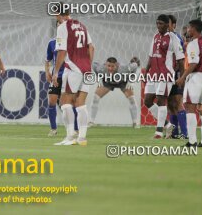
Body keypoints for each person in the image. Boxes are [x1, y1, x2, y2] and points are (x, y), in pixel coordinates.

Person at [52, 8, 94, 146]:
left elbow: (62, 51)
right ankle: (82, 138)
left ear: (59, 14)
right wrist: (88, 64)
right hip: (87, 69)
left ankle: (70, 137)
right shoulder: (82, 25)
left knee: (65, 101)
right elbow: (92, 47)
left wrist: (55, 72)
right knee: (80, 103)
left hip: (73, 68)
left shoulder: (62, 27)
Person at [144, 14, 184, 139]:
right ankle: (168, 125)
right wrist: (146, 71)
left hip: (165, 74)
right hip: (153, 74)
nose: (158, 26)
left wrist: (181, 78)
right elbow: (151, 56)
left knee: (161, 100)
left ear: (167, 25)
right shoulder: (155, 37)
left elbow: (181, 60)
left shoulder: (173, 38)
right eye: (157, 23)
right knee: (147, 101)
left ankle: (158, 132)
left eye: (161, 23)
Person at [175, 19, 202, 148]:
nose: (187, 30)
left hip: (196, 77)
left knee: (190, 108)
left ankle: (192, 141)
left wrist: (182, 78)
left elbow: (194, 63)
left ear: (194, 29)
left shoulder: (193, 44)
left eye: (189, 28)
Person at [89, 57, 140, 128]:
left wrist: (131, 81)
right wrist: (99, 78)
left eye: (112, 66)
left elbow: (135, 65)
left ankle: (135, 123)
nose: (110, 68)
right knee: (95, 98)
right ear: (105, 64)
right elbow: (94, 65)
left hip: (123, 82)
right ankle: (91, 122)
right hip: (108, 82)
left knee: (132, 99)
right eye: (108, 66)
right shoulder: (101, 68)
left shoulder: (124, 69)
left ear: (117, 65)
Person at [167, 15, 188, 139]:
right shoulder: (165, 38)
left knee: (178, 102)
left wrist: (180, 74)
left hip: (177, 73)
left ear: (174, 24)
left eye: (167, 23)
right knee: (170, 103)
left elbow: (180, 58)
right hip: (168, 74)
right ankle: (174, 133)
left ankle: (185, 133)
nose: (165, 25)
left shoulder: (176, 38)